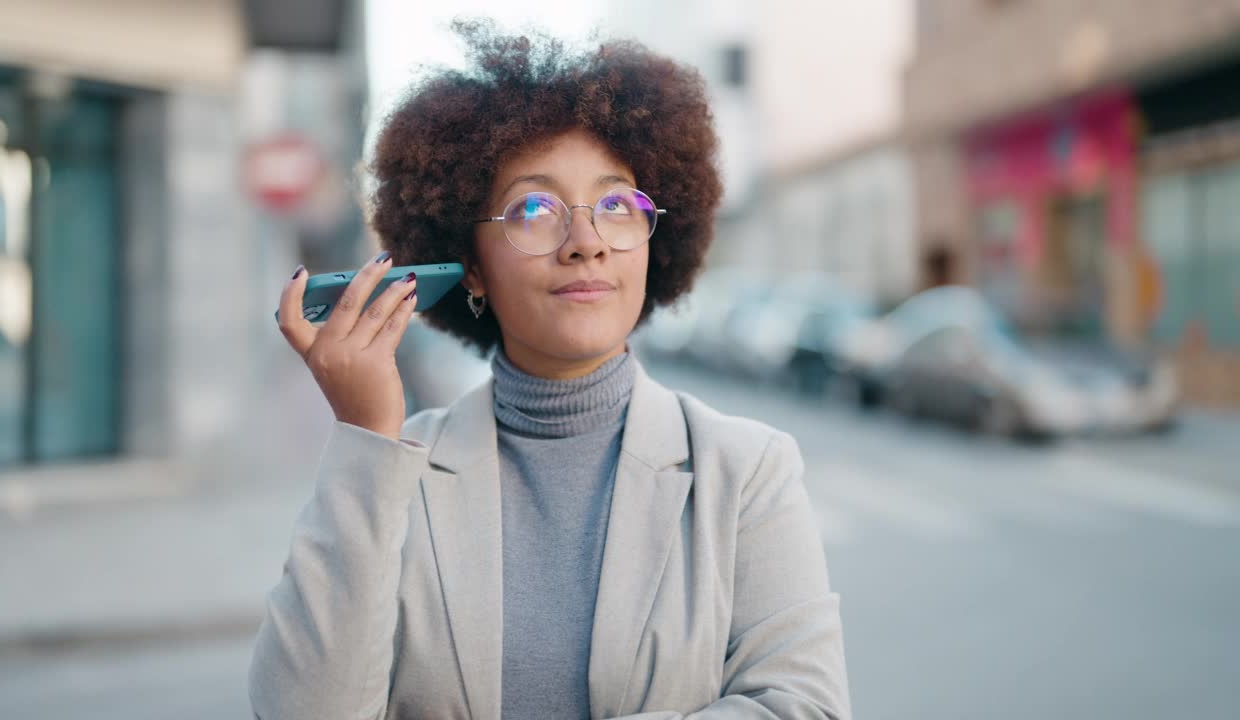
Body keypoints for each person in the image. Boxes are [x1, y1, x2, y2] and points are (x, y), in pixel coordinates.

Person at [249, 20, 850, 720]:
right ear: (468, 263)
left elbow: (802, 707)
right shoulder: (393, 473)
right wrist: (366, 438)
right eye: (534, 207)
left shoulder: (747, 472)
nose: (586, 242)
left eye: (617, 206)